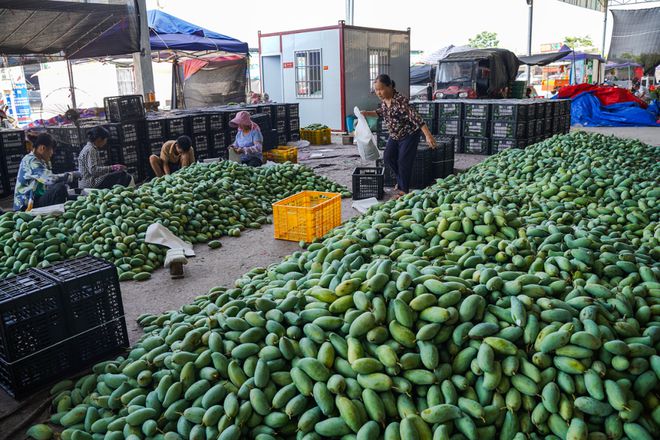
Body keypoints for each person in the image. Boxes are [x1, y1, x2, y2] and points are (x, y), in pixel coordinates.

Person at [362, 74, 437, 197]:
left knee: (403, 161)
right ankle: (401, 180)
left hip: (409, 135)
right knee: (388, 157)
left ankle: (403, 190)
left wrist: (428, 136)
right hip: (395, 135)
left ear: (390, 86)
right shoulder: (384, 101)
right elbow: (381, 113)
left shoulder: (401, 101)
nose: (378, 93)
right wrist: (366, 113)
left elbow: (417, 119)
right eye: (376, 90)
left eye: (381, 89)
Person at [13, 132, 78, 211]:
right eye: (51, 150)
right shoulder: (31, 161)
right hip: (27, 206)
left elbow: (48, 184)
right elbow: (50, 179)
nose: (52, 153)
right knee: (60, 188)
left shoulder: (42, 160)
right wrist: (72, 175)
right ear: (43, 148)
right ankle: (58, 217)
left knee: (72, 196)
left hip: (37, 199)